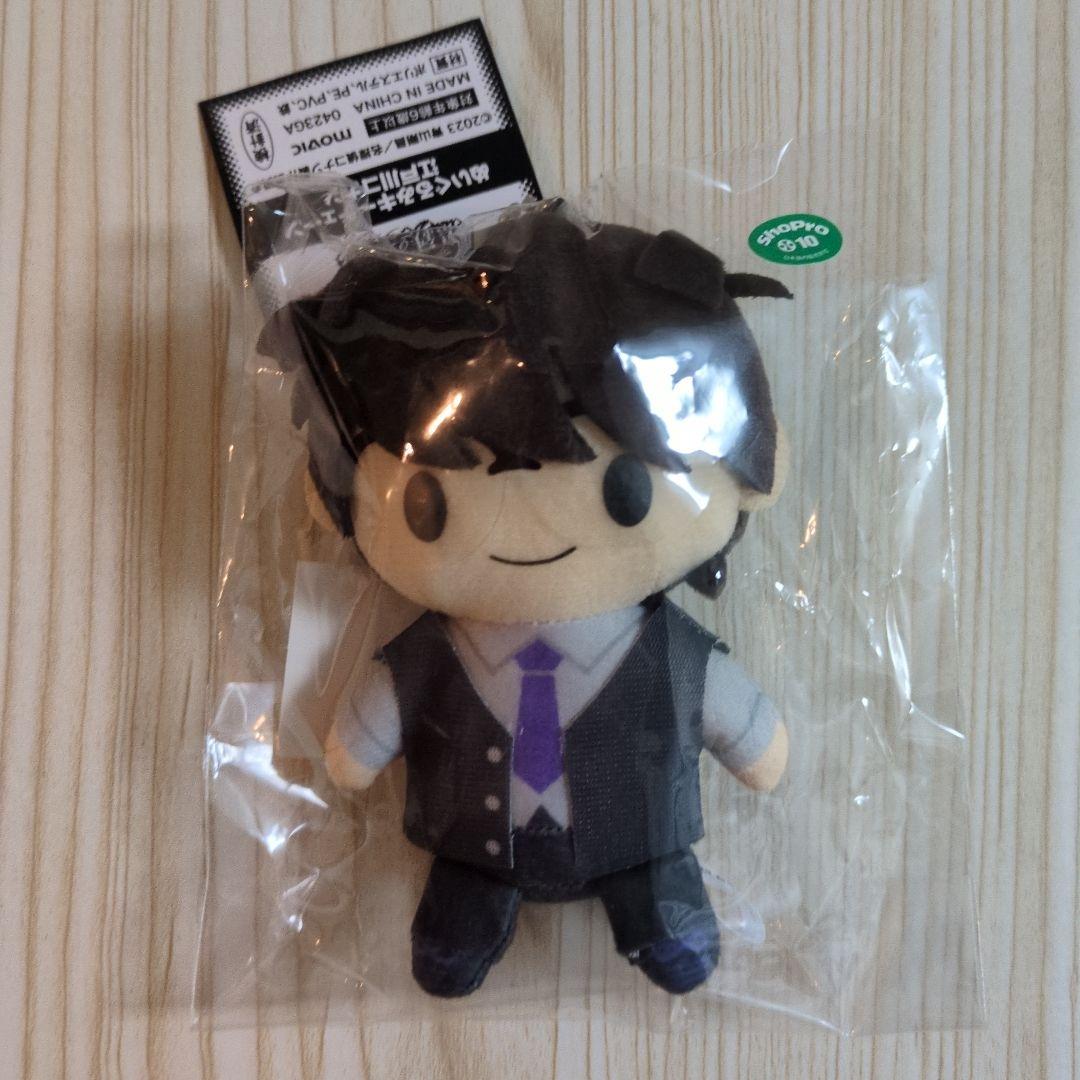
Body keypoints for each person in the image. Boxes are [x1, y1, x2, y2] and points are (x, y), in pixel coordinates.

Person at [258, 203, 791, 996]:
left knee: (660, 895)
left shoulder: (668, 653)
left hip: (641, 838)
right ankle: (465, 918)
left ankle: (658, 912)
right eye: (428, 506)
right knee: (457, 918)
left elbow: (732, 714)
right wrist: (357, 748)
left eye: (625, 491)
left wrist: (754, 743)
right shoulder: (430, 654)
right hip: (473, 847)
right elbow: (377, 718)